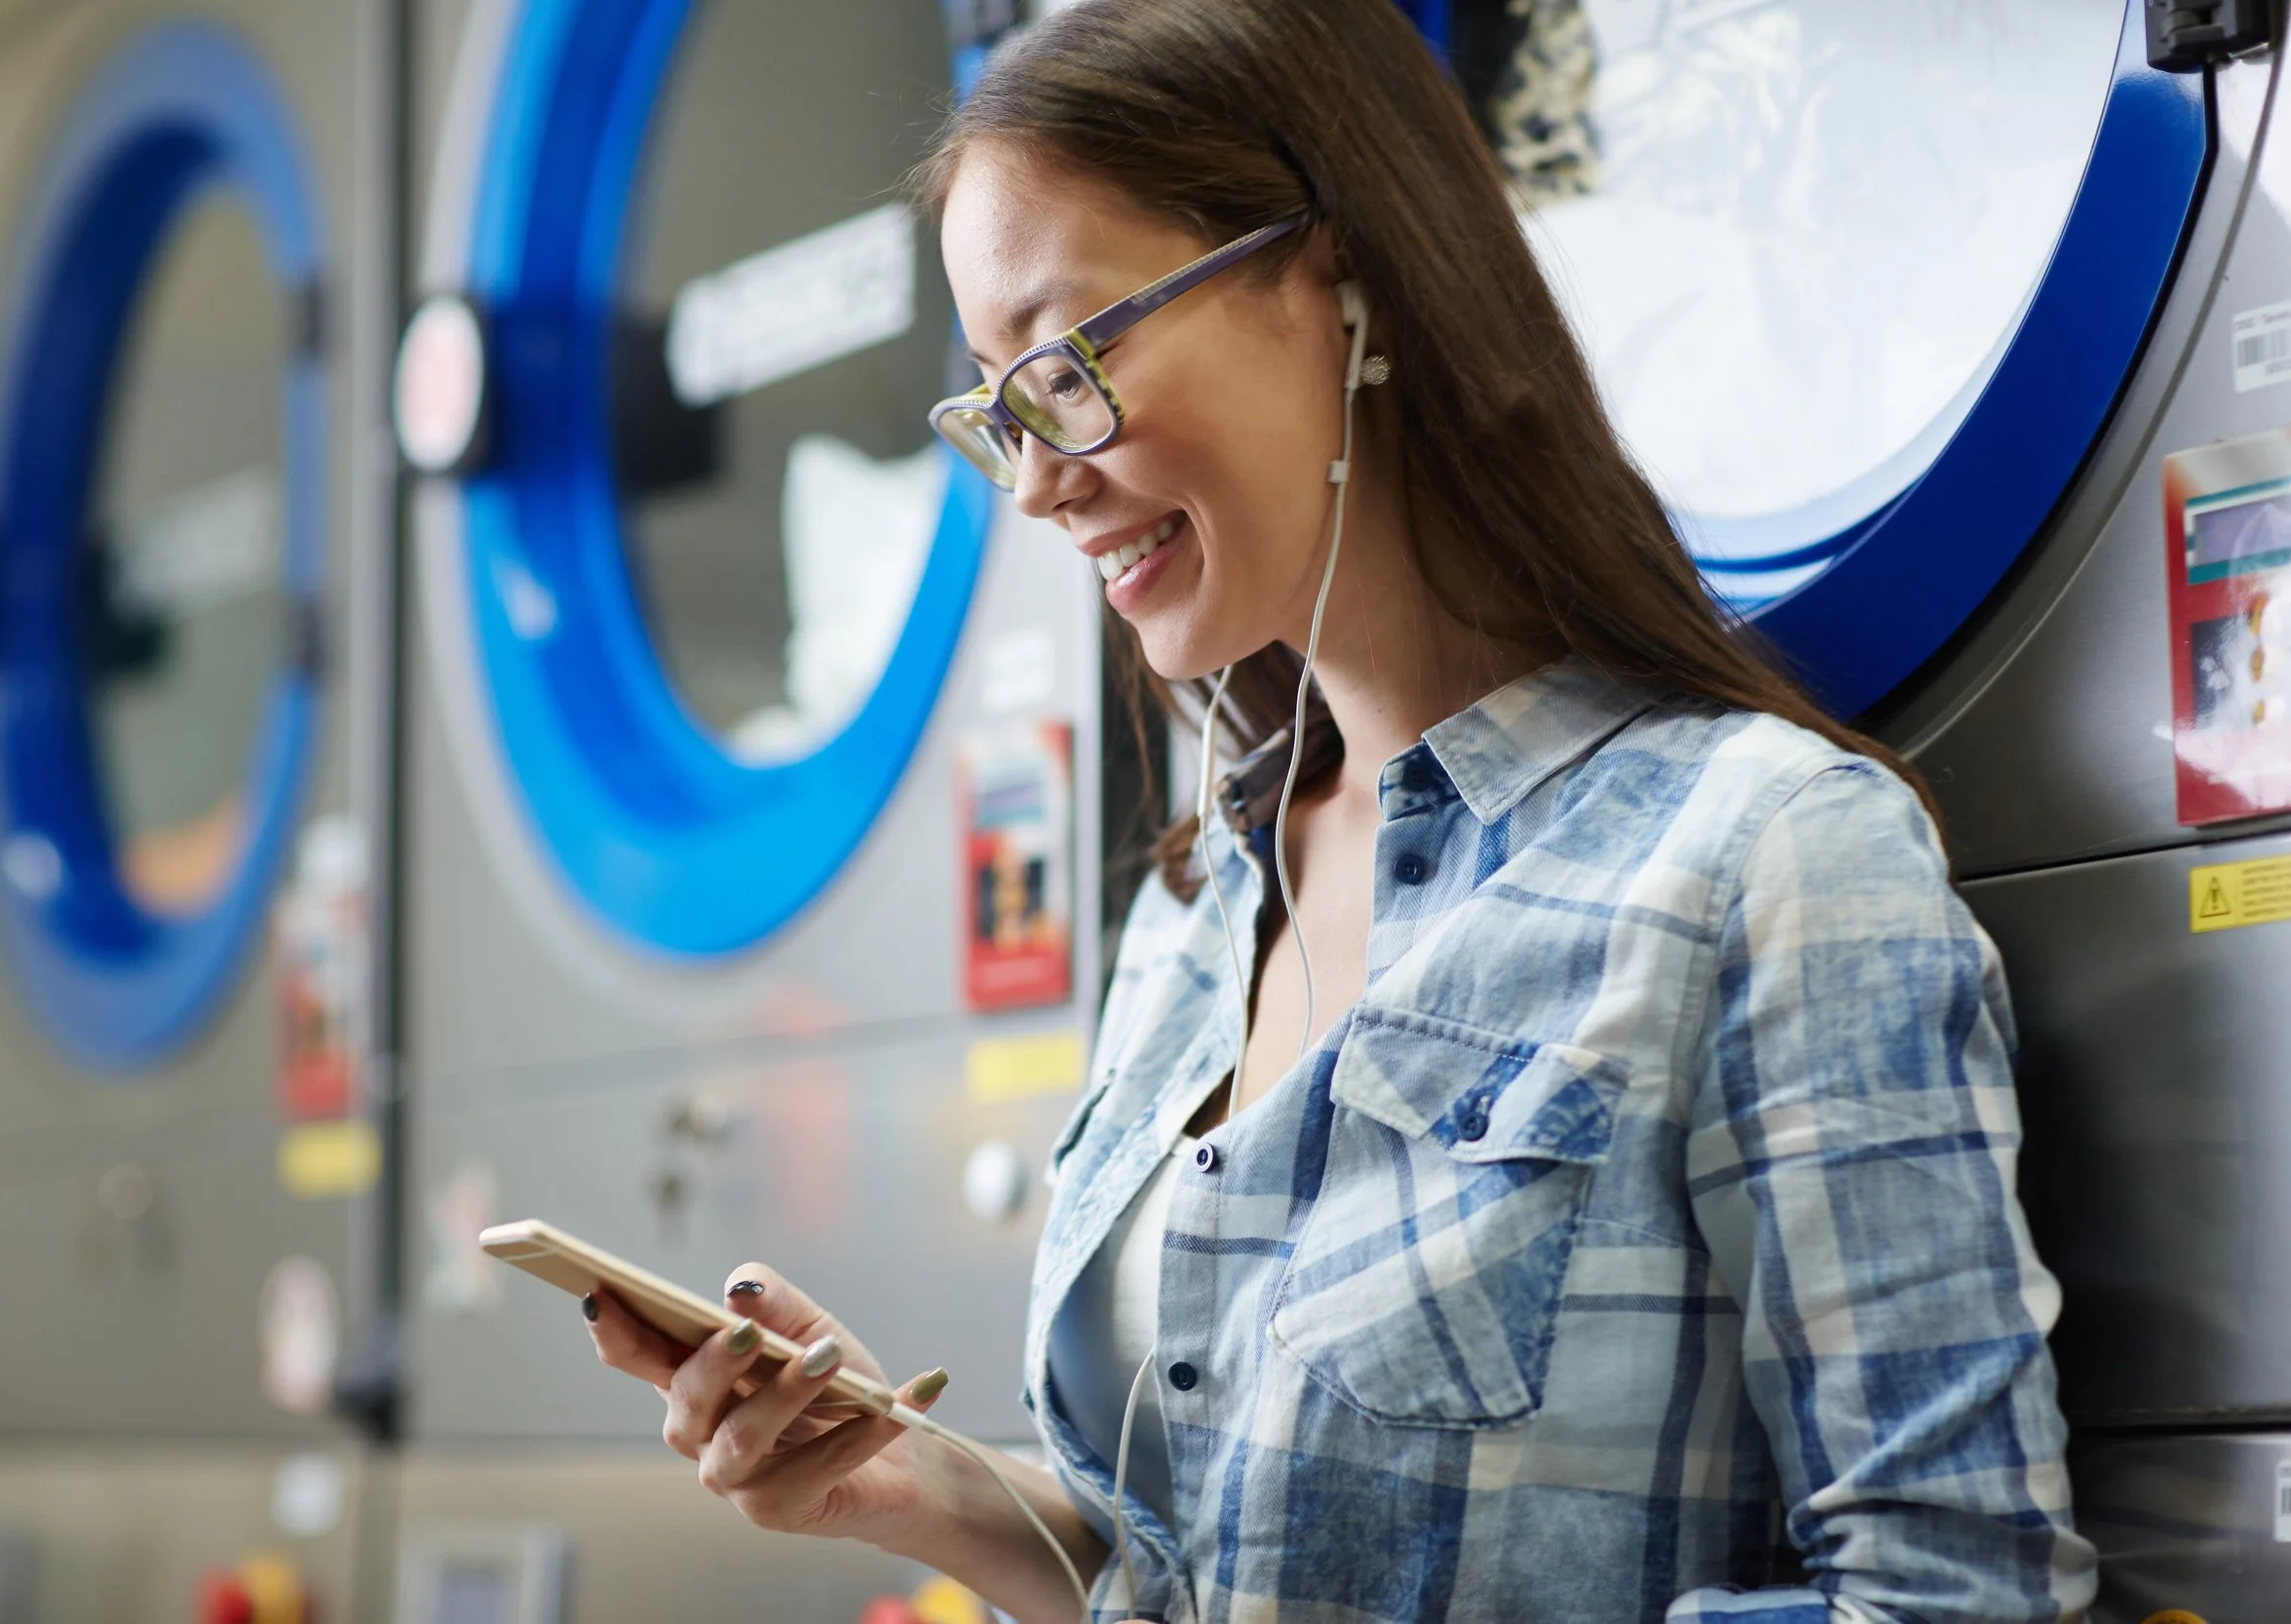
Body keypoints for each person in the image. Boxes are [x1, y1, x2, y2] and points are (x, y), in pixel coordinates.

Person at [584, 2, 2096, 1619]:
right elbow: (1196, 1564)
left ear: (1344, 277)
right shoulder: (1196, 914)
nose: (1033, 476)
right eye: (1000, 404)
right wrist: (923, 1487)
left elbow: (1956, 1590)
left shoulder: (1763, 860)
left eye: (1070, 357)